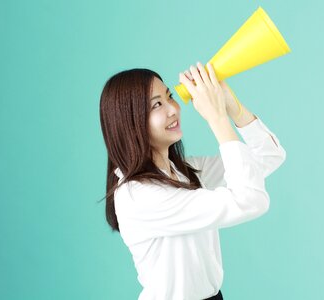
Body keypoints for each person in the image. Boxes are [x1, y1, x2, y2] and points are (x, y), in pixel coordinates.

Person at [99, 62, 286, 300]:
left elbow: (269, 155)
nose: (173, 109)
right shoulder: (138, 194)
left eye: (170, 97)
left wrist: (231, 105)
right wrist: (217, 118)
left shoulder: (184, 172)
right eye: (157, 105)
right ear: (130, 122)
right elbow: (250, 200)